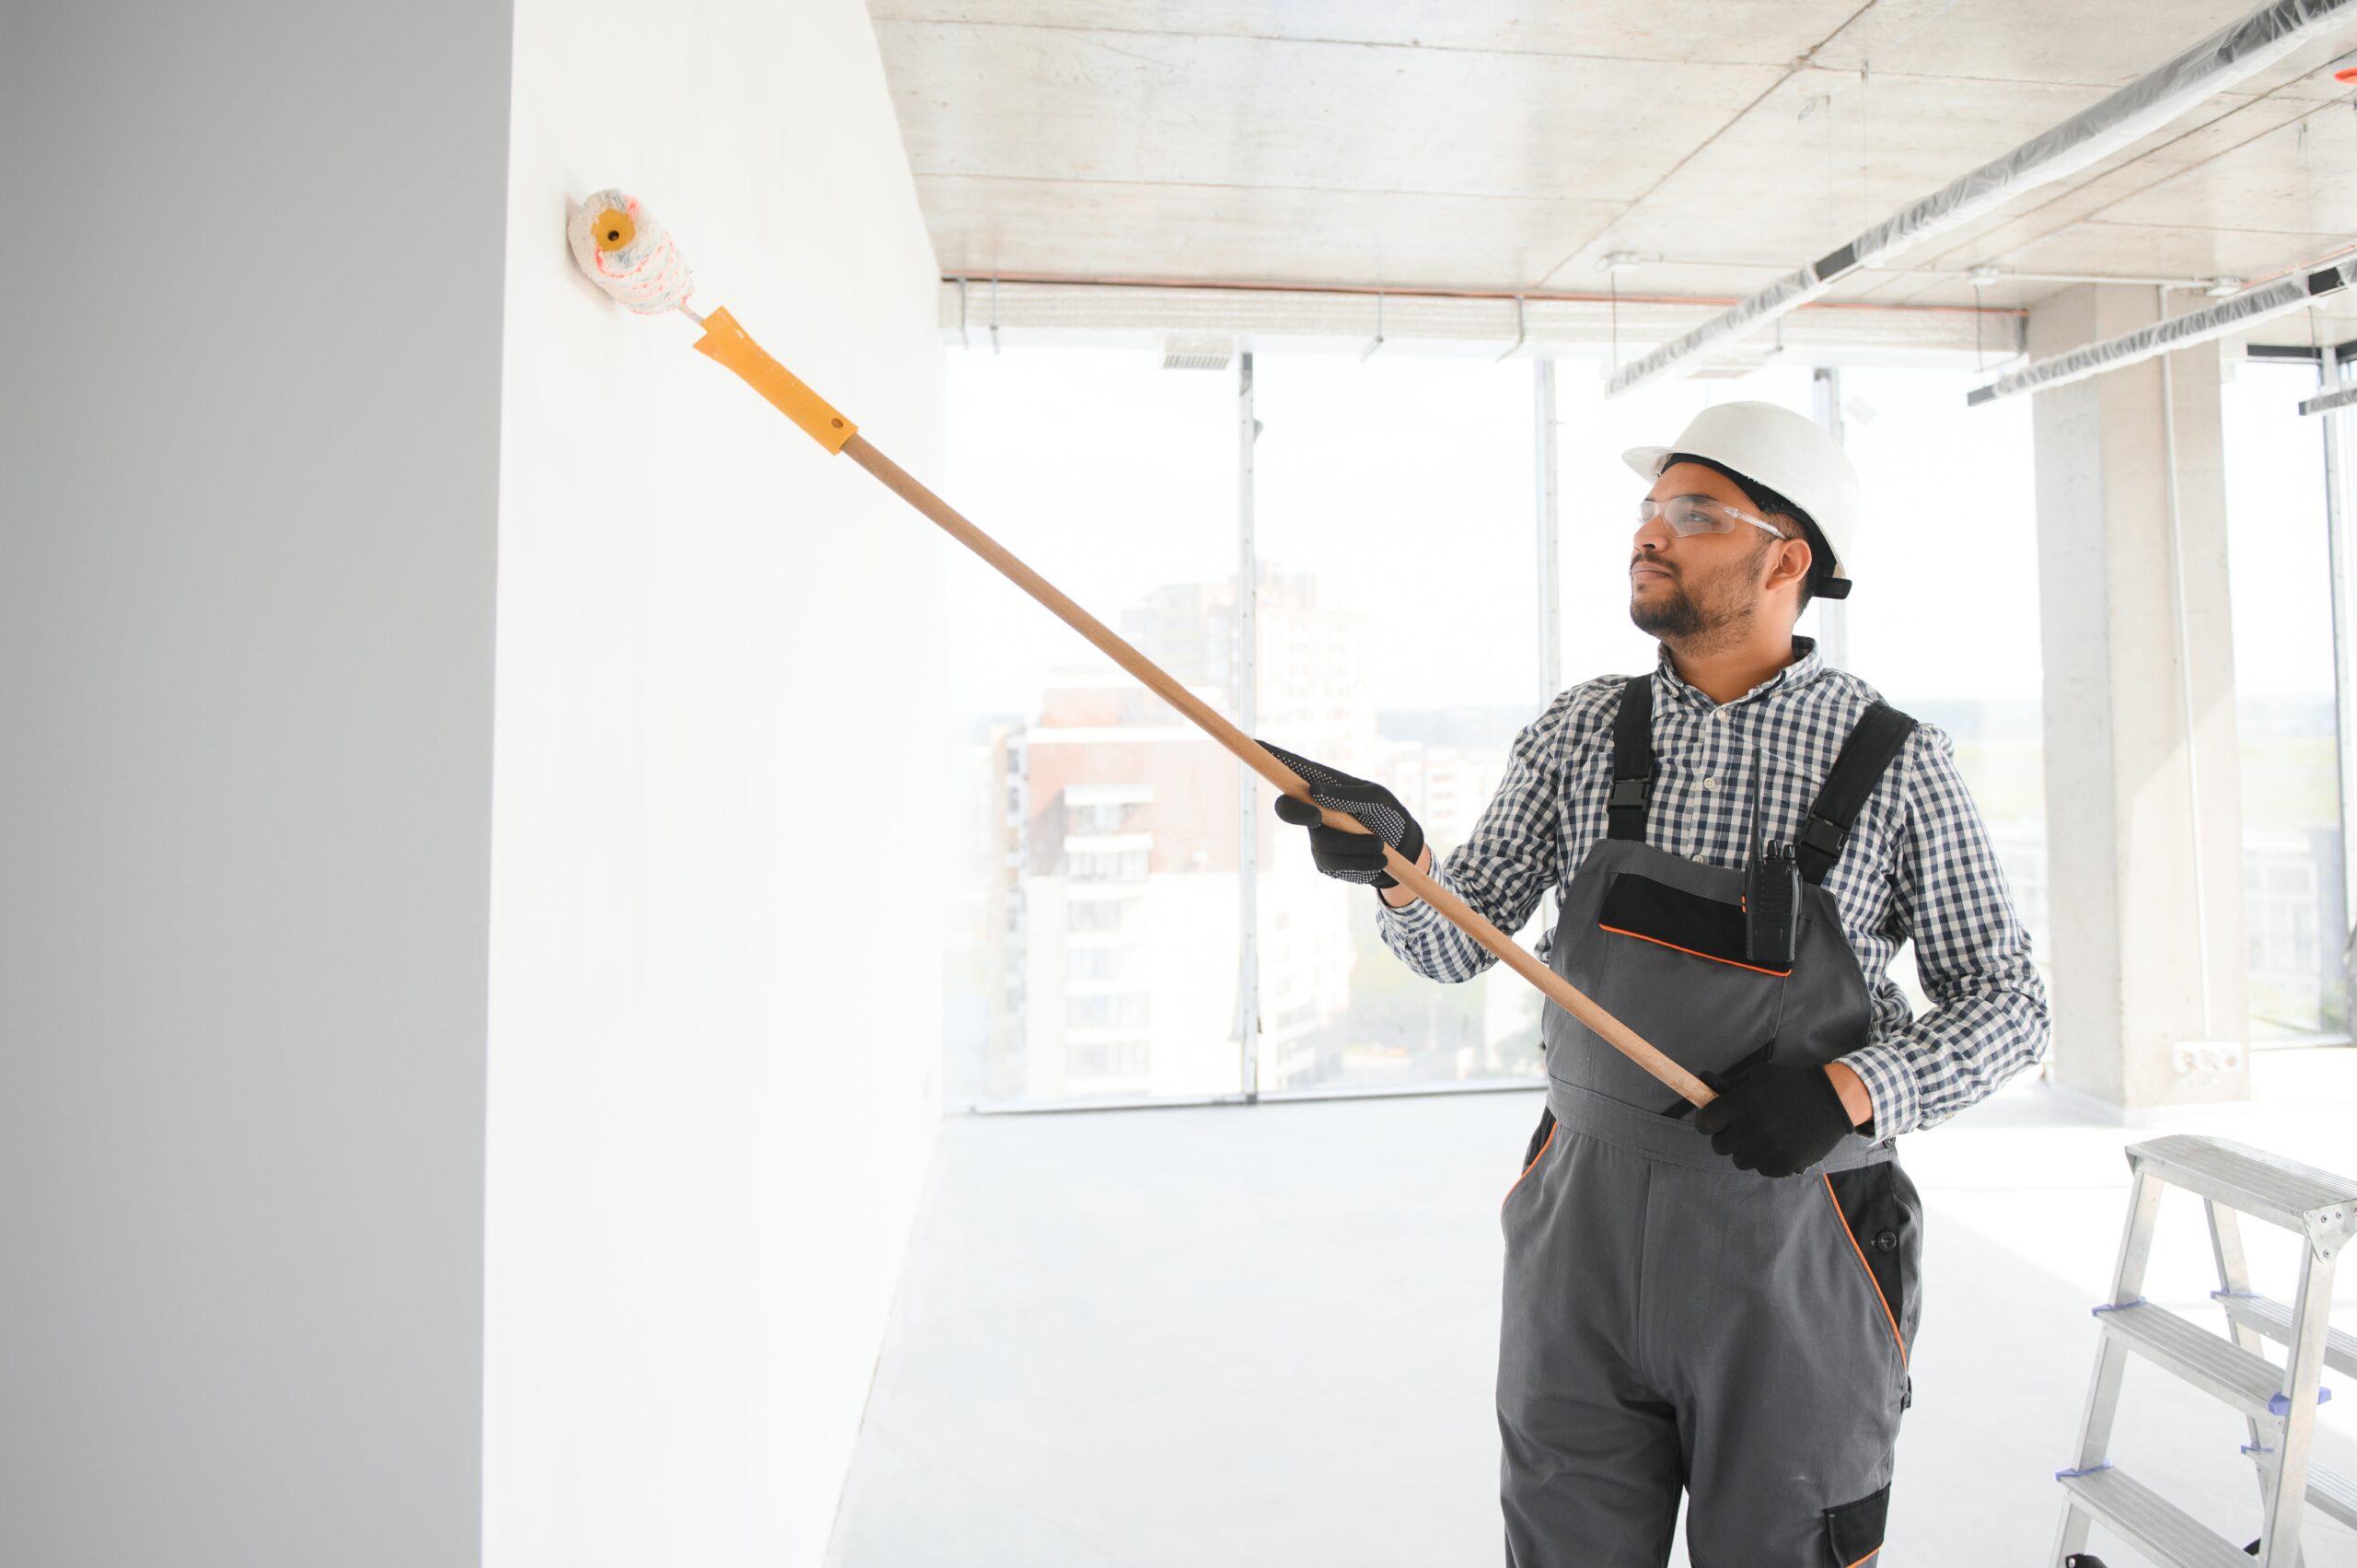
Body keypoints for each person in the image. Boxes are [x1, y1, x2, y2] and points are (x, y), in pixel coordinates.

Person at [1257, 401, 2050, 1568]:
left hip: (1798, 1246)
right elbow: (1459, 943)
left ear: (1786, 559)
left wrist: (1848, 1089)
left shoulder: (1893, 761)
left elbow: (2011, 1003)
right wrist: (1396, 868)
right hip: (1578, 1229)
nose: (1649, 532)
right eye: (1648, 508)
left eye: (1694, 512)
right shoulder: (1584, 729)